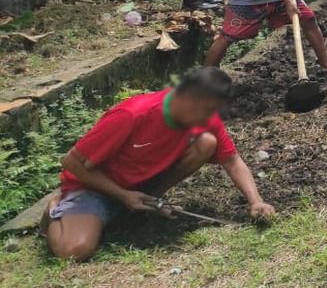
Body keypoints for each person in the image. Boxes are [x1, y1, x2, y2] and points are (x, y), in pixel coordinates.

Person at [40, 67, 274, 261]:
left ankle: (145, 200)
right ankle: (56, 209)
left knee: (206, 142)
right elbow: (71, 161)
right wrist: (122, 195)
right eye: (206, 110)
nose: (210, 118)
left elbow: (232, 160)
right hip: (93, 188)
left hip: (138, 185)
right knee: (74, 251)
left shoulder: (204, 117)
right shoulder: (133, 114)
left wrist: (256, 201)